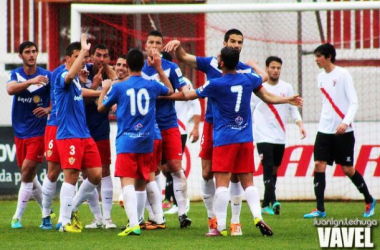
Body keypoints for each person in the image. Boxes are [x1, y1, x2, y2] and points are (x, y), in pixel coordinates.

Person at [183, 47, 303, 236]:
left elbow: (188, 95)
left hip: (225, 139)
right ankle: (257, 216)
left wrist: (176, 89)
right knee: (248, 182)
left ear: (221, 63)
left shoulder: (215, 83)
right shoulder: (248, 79)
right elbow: (267, 94)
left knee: (222, 183)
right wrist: (287, 99)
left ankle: (220, 227)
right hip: (245, 139)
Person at [164, 29, 256, 235]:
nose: (236, 45)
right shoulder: (212, 63)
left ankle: (235, 222)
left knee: (234, 176)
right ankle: (212, 219)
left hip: (235, 128)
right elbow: (185, 58)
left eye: (239, 42)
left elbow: (262, 84)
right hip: (212, 124)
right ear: (224, 43)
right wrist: (178, 46)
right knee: (207, 172)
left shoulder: (244, 70)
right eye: (232, 41)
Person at [97, 48, 173, 236]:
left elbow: (101, 108)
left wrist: (104, 89)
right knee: (142, 182)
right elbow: (170, 90)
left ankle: (133, 224)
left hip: (127, 141)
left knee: (128, 183)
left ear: (128, 65)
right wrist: (160, 69)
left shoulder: (119, 86)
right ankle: (140, 219)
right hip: (147, 140)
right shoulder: (152, 84)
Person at [304, 43, 376, 218]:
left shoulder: (343, 75)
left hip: (343, 132)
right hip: (324, 130)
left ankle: (369, 200)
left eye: (319, 56)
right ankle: (320, 209)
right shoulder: (320, 77)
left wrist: (345, 122)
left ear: (328, 57)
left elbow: (354, 102)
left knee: (347, 169)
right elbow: (326, 104)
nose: (316, 60)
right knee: (318, 165)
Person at [142, 30, 191, 228]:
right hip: (146, 127)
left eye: (157, 42)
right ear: (145, 45)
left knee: (175, 168)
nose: (154, 45)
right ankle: (155, 215)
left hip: (168, 124)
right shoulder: (138, 69)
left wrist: (162, 96)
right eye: (151, 42)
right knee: (151, 172)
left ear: (162, 46)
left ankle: (183, 213)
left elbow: (185, 93)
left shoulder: (171, 68)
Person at [55, 35, 102, 233]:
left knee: (96, 175)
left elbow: (80, 93)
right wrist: (83, 50)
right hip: (69, 134)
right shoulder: (61, 76)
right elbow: (68, 77)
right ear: (67, 59)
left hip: (84, 134)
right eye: (77, 56)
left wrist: (102, 91)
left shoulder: (76, 82)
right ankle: (64, 222)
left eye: (82, 56)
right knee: (71, 176)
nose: (81, 60)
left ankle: (71, 208)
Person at [251, 56, 306, 216]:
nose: (275, 70)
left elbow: (293, 108)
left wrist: (300, 124)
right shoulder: (258, 87)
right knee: (267, 166)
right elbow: (251, 108)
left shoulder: (287, 87)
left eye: (278, 68)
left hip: (280, 136)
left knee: (274, 168)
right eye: (272, 67)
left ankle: (267, 203)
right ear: (267, 69)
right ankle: (271, 201)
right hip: (262, 134)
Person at [7, 41, 51, 229]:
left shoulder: (47, 76)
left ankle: (17, 217)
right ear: (20, 56)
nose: (32, 55)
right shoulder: (16, 74)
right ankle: (47, 213)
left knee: (26, 172)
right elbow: (10, 89)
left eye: (34, 51)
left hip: (38, 132)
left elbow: (58, 100)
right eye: (27, 52)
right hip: (20, 131)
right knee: (29, 175)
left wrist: (48, 109)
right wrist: (31, 82)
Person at [83, 44, 117, 230]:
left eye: (105, 55)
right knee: (86, 174)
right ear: (92, 57)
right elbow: (80, 99)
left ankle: (108, 218)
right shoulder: (84, 71)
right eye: (98, 55)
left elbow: (122, 85)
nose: (101, 59)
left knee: (105, 171)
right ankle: (97, 218)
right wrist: (97, 87)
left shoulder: (111, 76)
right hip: (82, 130)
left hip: (101, 130)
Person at [164, 76, 201, 215]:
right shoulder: (155, 79)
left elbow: (196, 105)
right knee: (163, 166)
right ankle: (170, 198)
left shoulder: (185, 82)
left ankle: (178, 202)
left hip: (179, 129)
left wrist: (196, 127)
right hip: (161, 129)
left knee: (174, 166)